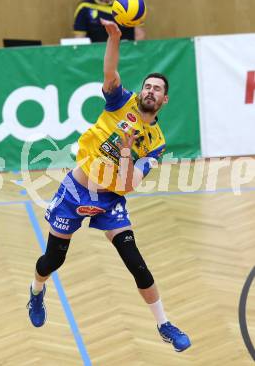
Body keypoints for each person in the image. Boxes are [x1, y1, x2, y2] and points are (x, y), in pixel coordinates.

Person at [27, 18, 191, 352]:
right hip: (75, 192)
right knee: (52, 261)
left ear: (164, 101)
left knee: (136, 262)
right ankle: (35, 292)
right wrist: (114, 37)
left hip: (111, 199)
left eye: (157, 89)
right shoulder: (121, 102)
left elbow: (129, 185)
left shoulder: (156, 142)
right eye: (148, 86)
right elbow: (110, 73)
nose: (150, 90)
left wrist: (128, 148)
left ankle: (164, 324)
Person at [73, 0, 145, 42]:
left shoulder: (130, 5)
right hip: (96, 55)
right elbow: (79, 41)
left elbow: (140, 38)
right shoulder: (84, 7)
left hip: (125, 54)